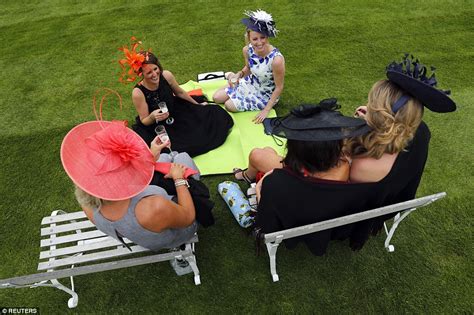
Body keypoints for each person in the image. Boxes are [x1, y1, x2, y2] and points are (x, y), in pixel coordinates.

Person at [61, 120, 202, 272]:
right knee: (182, 158)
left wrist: (150, 156)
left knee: (164, 159)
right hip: (176, 233)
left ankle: (166, 159)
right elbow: (188, 217)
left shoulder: (88, 203)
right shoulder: (152, 208)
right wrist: (179, 178)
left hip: (143, 233)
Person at [253, 102, 374, 255]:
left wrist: (260, 190)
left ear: (294, 148)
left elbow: (266, 221)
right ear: (335, 150)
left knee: (263, 152)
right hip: (323, 219)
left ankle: (245, 175)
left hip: (293, 216)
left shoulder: (277, 182)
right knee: (265, 153)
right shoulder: (346, 172)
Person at [119, 38, 234, 156]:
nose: (154, 74)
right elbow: (144, 121)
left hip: (177, 111)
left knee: (213, 118)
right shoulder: (138, 93)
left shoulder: (166, 76)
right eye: (149, 73)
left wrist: (197, 105)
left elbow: (180, 93)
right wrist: (153, 116)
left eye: (155, 69)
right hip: (158, 126)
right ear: (141, 74)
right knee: (180, 147)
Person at [212, 10, 285, 123]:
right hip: (251, 83)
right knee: (216, 98)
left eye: (263, 37)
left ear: (267, 36)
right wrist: (239, 74)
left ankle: (231, 80)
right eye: (255, 39)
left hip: (265, 94)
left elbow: (279, 87)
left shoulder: (276, 60)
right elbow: (248, 68)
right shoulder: (247, 50)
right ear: (249, 38)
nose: (259, 42)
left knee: (229, 105)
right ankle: (232, 77)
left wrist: (266, 110)